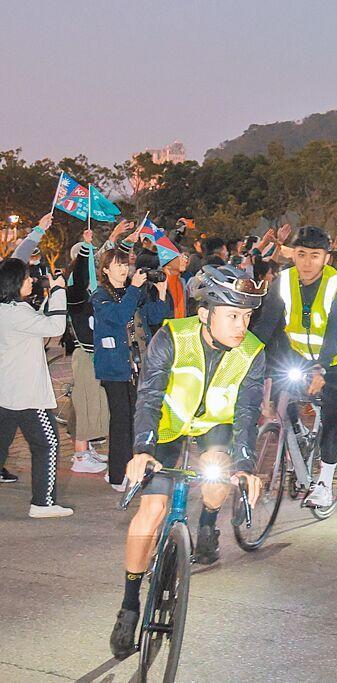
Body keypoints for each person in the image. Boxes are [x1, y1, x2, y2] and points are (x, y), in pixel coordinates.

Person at [108, 265, 266, 660]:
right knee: (152, 509)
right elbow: (148, 394)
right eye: (232, 315)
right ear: (204, 314)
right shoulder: (172, 337)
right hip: (166, 426)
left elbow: (247, 413)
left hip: (215, 426)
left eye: (246, 315)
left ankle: (208, 526)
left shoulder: (253, 352)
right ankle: (129, 603)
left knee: (218, 468)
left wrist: (244, 465)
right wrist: (142, 450)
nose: (241, 325)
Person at [251, 225, 337, 509]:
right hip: (300, 353)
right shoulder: (283, 281)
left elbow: (335, 334)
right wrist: (242, 354)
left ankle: (324, 482)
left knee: (330, 413)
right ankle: (297, 430)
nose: (307, 262)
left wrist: (321, 369)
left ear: (326, 258)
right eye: (301, 254)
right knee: (280, 390)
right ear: (293, 256)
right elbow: (267, 324)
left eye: (315, 255)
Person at [0, 214, 74, 516]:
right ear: (16, 283)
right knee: (48, 444)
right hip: (27, 394)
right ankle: (43, 503)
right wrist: (58, 291)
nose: (33, 280)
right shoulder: (16, 313)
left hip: (8, 391)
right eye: (29, 277)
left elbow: (39, 325)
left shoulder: (10, 310)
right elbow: (55, 328)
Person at [92, 249, 170, 491]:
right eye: (117, 265)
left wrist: (161, 292)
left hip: (139, 365)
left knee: (137, 420)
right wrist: (135, 289)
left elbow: (155, 316)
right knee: (121, 420)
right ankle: (116, 475)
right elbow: (118, 316)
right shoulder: (99, 296)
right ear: (105, 270)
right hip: (114, 368)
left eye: (125, 264)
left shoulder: (134, 293)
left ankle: (134, 468)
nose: (124, 269)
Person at [66, 233, 111, 474]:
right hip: (85, 354)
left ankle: (86, 449)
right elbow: (82, 273)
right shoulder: (74, 290)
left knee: (90, 402)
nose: (94, 265)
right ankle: (80, 455)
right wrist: (85, 247)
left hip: (94, 352)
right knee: (84, 403)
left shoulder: (89, 290)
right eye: (89, 261)